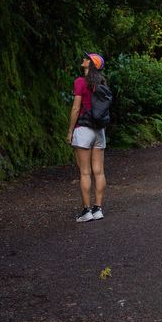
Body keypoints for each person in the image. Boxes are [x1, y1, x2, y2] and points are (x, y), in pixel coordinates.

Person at [67, 52, 108, 223]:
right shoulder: (101, 84)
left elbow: (76, 109)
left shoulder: (80, 82)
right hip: (99, 130)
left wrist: (70, 131)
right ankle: (98, 209)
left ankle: (86, 211)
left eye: (86, 59)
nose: (83, 60)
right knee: (99, 172)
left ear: (90, 64)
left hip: (83, 129)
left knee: (85, 172)